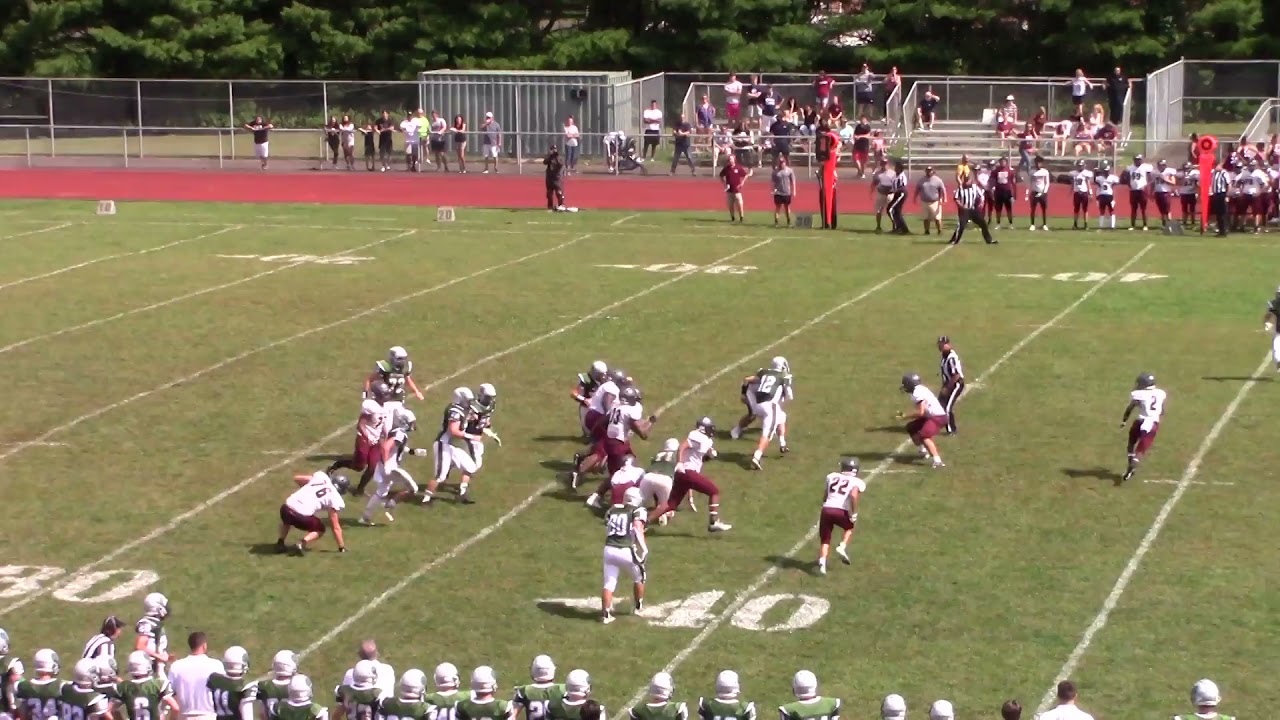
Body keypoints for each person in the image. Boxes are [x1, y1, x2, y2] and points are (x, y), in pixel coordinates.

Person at [601, 486, 647, 625]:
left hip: (609, 548)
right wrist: (644, 548)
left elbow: (607, 527)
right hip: (625, 549)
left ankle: (605, 615)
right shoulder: (637, 510)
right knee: (640, 576)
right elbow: (637, 529)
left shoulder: (612, 509)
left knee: (609, 582)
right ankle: (638, 607)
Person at [275, 470, 348, 555]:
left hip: (285, 508)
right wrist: (341, 546)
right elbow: (335, 526)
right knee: (320, 528)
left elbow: (297, 478)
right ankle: (302, 543)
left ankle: (280, 543)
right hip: (300, 516)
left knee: (287, 520)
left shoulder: (322, 478)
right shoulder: (336, 498)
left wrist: (308, 489)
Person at [816, 457, 863, 575]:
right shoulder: (856, 482)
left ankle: (822, 562)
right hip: (841, 510)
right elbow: (853, 495)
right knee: (849, 527)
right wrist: (854, 512)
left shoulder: (831, 476)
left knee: (825, 538)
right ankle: (842, 546)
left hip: (827, 509)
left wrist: (825, 502)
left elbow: (826, 495)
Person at [1120, 372, 1165, 483]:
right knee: (1140, 450)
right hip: (1153, 423)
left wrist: (1124, 420)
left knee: (1131, 443)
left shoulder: (1138, 394)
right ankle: (1133, 464)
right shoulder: (1161, 393)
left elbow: (1130, 408)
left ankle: (1131, 462)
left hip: (1140, 421)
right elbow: (1162, 410)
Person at [167, 632, 224, 720]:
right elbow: (223, 691)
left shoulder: (176, 666)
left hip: (184, 716)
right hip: (209, 715)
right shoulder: (216, 665)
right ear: (204, 646)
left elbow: (170, 693)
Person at [897, 373, 946, 468]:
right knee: (912, 427)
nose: (905, 387)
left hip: (937, 417)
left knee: (924, 435)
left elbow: (921, 413)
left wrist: (905, 416)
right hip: (931, 415)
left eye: (906, 384)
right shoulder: (920, 389)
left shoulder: (917, 393)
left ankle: (938, 461)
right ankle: (923, 451)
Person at [949, 176, 995, 245]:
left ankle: (989, 240)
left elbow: (981, 195)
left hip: (973, 210)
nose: (966, 182)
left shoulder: (974, 187)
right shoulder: (960, 188)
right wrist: (961, 206)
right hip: (965, 210)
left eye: (968, 180)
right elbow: (956, 198)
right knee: (961, 226)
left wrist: (981, 203)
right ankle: (955, 240)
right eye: (965, 181)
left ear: (971, 181)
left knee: (983, 224)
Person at [937, 336, 965, 434]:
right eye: (940, 344)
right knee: (940, 405)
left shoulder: (951, 357)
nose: (940, 346)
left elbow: (956, 375)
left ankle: (951, 430)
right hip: (948, 383)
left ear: (948, 344)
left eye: (943, 344)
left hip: (956, 384)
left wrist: (947, 388)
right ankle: (936, 424)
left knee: (947, 408)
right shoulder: (945, 355)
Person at [914, 166, 946, 235]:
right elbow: (917, 189)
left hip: (935, 201)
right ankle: (926, 231)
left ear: (933, 171)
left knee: (937, 217)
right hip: (924, 201)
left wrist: (944, 198)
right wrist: (915, 198)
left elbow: (943, 189)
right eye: (927, 170)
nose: (929, 172)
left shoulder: (937, 180)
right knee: (926, 217)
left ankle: (939, 230)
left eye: (930, 170)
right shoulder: (921, 180)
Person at [718, 154, 750, 223]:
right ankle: (732, 217)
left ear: (734, 160)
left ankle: (741, 217)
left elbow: (745, 175)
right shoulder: (726, 168)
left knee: (739, 204)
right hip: (729, 190)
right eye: (729, 159)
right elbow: (721, 176)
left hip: (737, 190)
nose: (730, 161)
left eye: (731, 159)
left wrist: (742, 183)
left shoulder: (738, 167)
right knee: (730, 205)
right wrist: (724, 184)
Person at [771, 156, 796, 227]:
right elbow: (773, 181)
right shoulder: (775, 171)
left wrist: (794, 191)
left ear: (785, 163)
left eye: (783, 162)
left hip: (786, 192)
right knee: (778, 207)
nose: (781, 164)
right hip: (778, 192)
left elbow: (793, 181)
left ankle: (789, 222)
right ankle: (776, 222)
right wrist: (772, 189)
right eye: (780, 162)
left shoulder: (789, 171)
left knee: (787, 207)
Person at [887, 161, 909, 234]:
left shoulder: (902, 176)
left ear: (900, 169)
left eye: (896, 167)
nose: (895, 168)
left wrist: (893, 191)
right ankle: (903, 228)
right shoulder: (895, 175)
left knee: (890, 209)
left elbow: (902, 187)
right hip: (896, 194)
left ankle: (897, 227)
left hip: (901, 194)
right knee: (897, 211)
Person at [544, 145, 568, 211]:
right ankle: (550, 206)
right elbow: (545, 162)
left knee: (559, 192)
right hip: (549, 177)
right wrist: (551, 156)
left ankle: (561, 205)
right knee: (549, 193)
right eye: (552, 149)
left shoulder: (559, 157)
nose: (553, 150)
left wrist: (556, 157)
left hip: (557, 178)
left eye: (554, 149)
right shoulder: (549, 157)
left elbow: (560, 165)